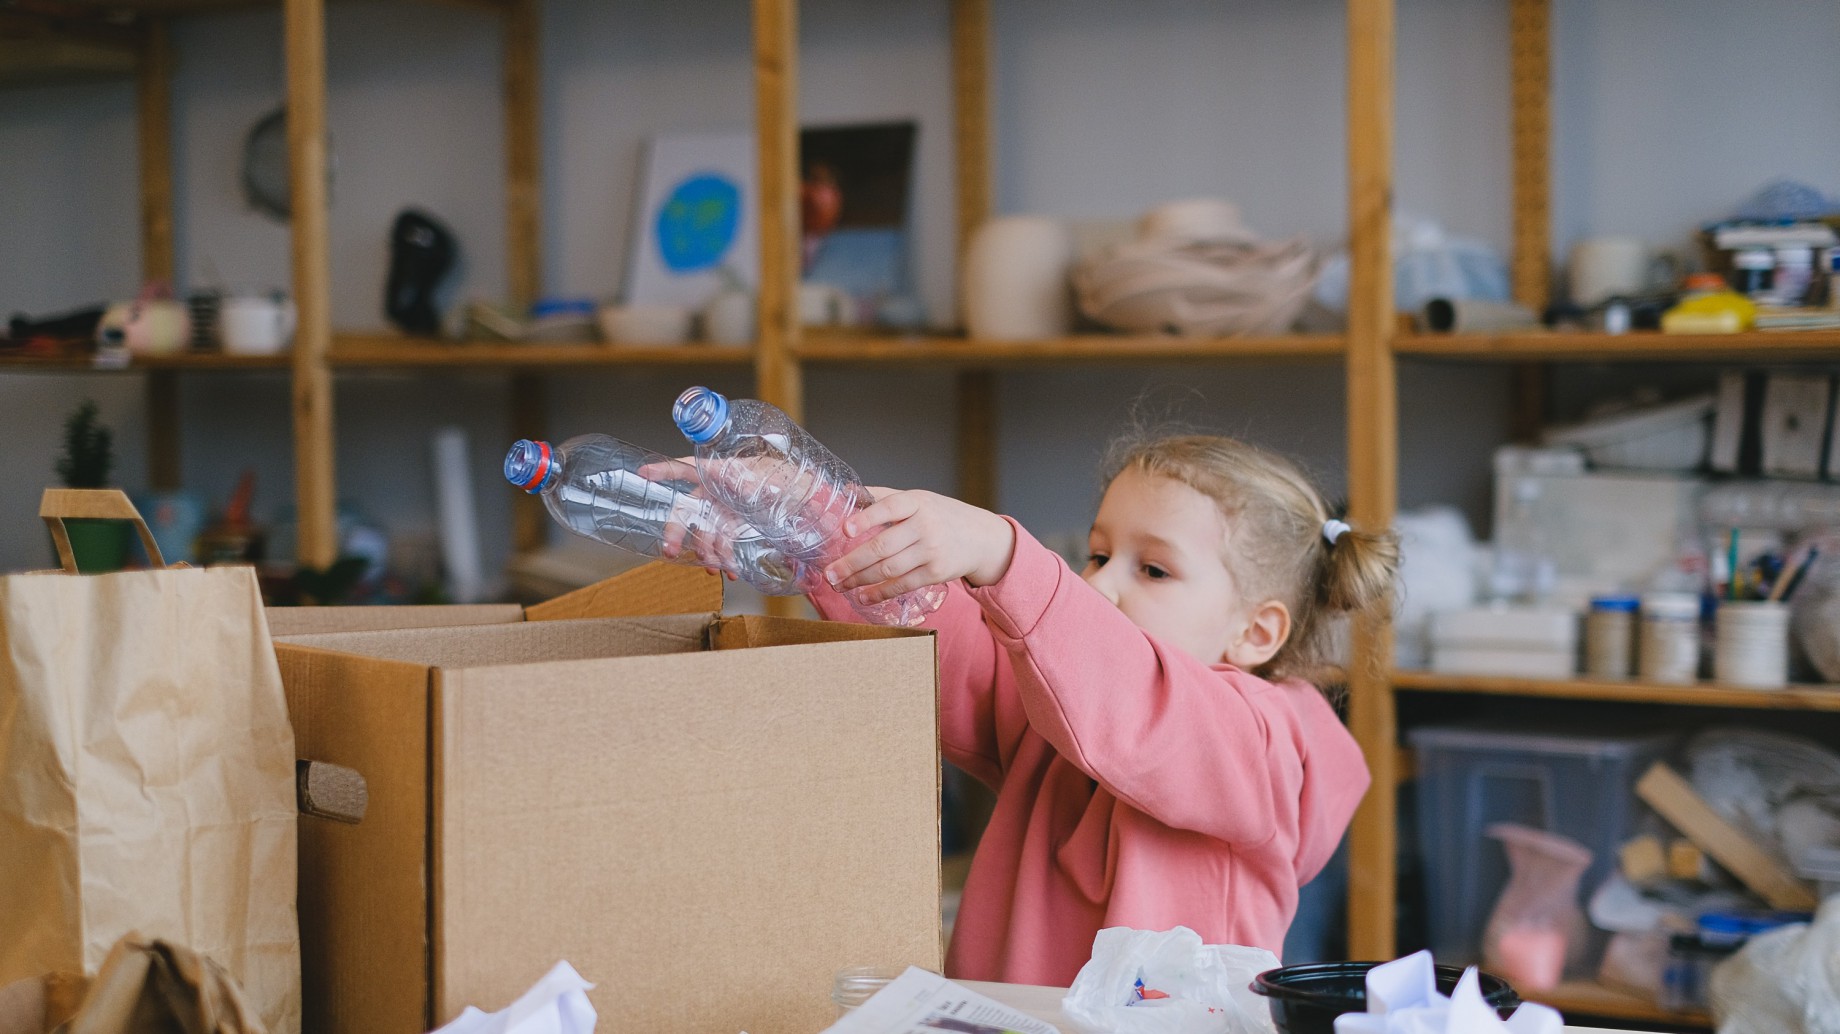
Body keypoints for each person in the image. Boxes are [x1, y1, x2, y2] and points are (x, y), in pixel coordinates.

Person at [812, 432, 1398, 987]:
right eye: (1097, 556)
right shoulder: (1059, 696)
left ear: (1256, 631)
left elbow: (1138, 707)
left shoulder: (1261, 743)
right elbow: (951, 644)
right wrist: (814, 524)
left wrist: (1005, 555)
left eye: (1153, 570)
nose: (1098, 586)